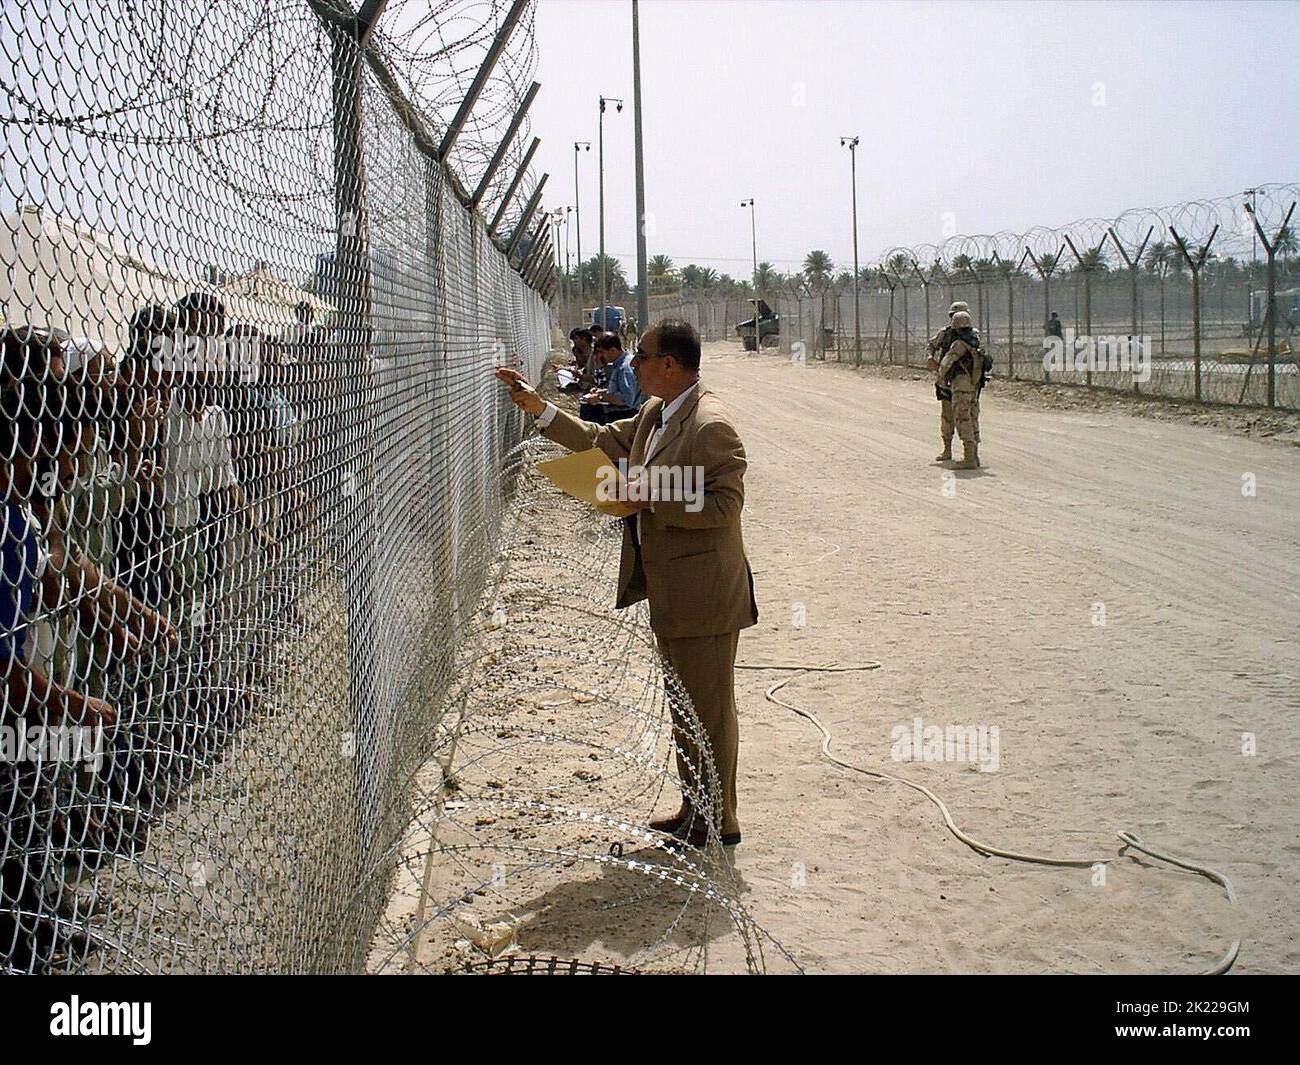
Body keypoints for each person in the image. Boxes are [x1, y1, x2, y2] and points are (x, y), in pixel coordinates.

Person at [495, 319, 757, 848]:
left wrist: (648, 496)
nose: (633, 364)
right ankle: (696, 808)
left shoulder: (711, 425)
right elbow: (599, 440)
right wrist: (539, 409)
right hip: (673, 586)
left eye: (643, 356)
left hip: (704, 591)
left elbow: (726, 505)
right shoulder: (658, 413)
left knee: (708, 708)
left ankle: (719, 818)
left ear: (670, 365)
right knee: (685, 705)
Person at [937, 310, 984, 469]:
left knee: (962, 418)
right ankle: (974, 455)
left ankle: (969, 458)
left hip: (961, 385)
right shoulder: (975, 340)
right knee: (972, 417)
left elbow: (946, 363)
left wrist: (941, 376)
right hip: (974, 385)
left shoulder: (959, 344)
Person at [926, 301, 972, 461]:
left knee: (968, 416)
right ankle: (948, 450)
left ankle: (971, 455)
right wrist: (931, 357)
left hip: (963, 382)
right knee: (948, 416)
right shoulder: (944, 334)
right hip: (948, 381)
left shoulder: (973, 336)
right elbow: (931, 345)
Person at [579, 333, 645, 424]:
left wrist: (601, 397)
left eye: (602, 352)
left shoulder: (624, 368)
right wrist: (602, 392)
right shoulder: (619, 365)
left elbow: (626, 399)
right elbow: (619, 391)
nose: (601, 356)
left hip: (623, 416)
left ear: (613, 350)